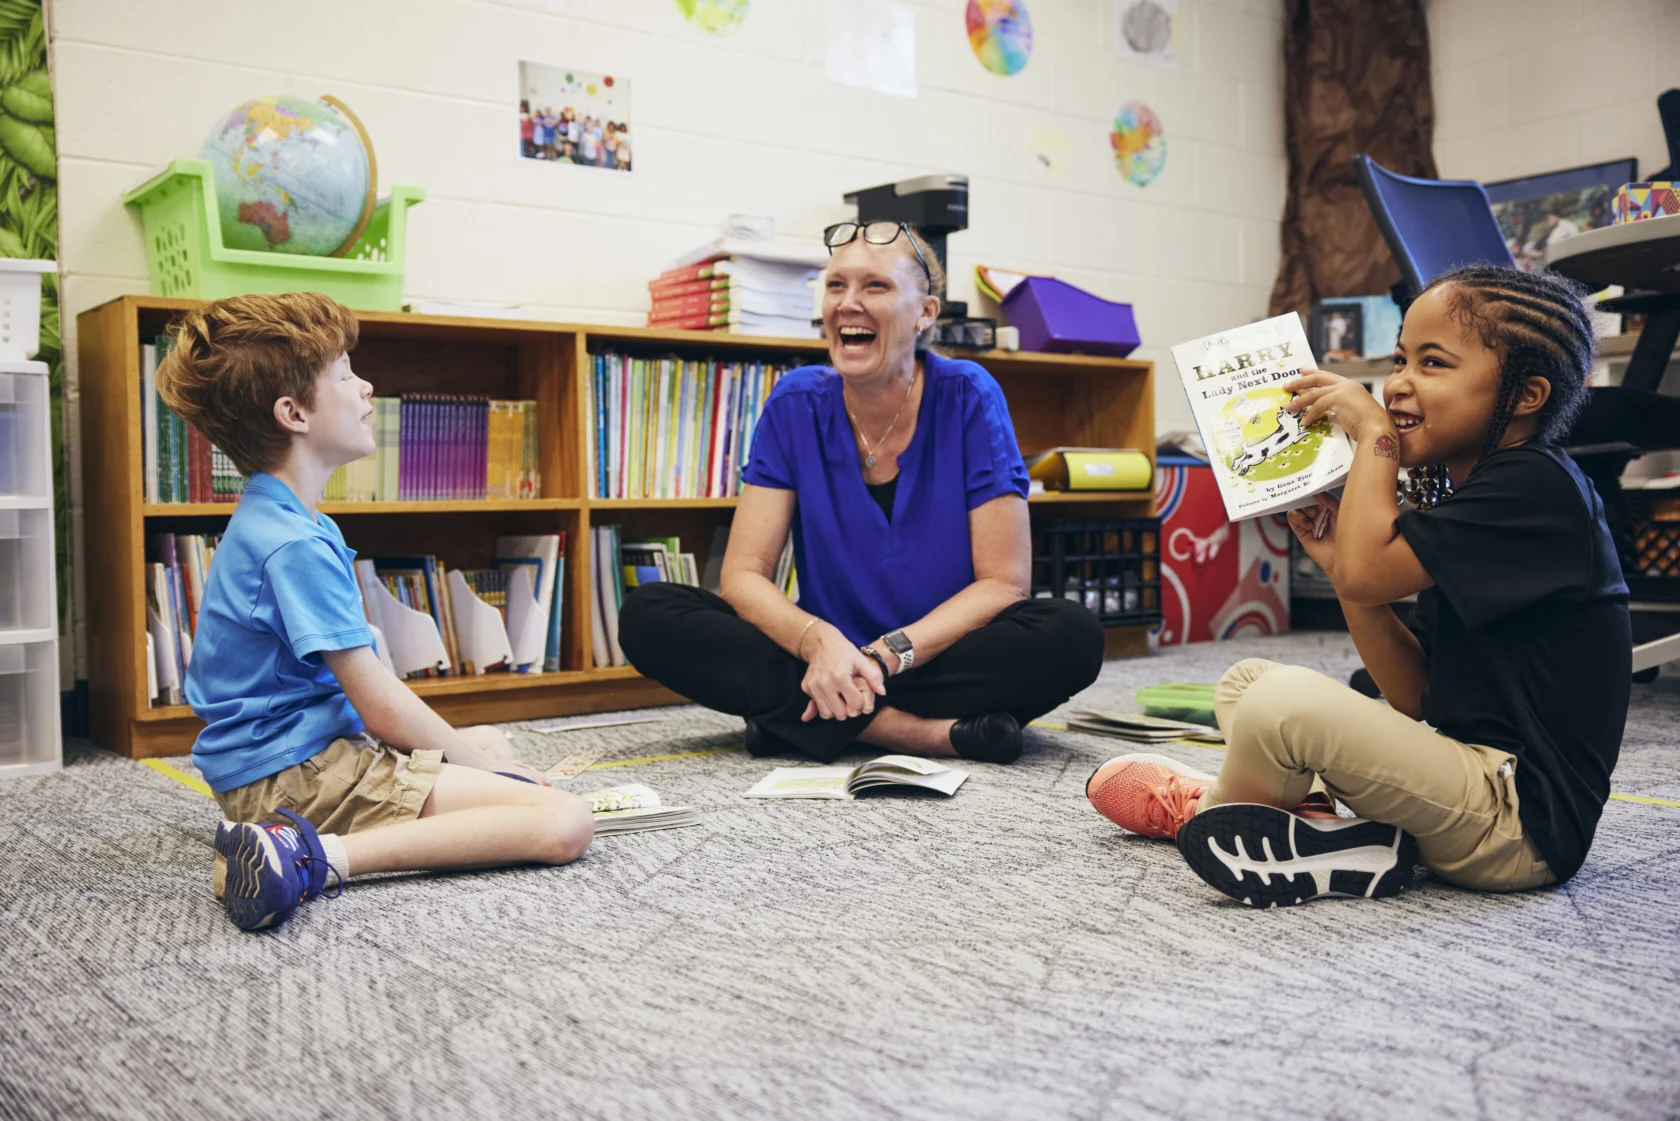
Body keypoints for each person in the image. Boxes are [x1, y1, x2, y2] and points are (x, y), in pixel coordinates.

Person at [1086, 265, 1629, 907]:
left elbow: (1374, 570)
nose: (1397, 384)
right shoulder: (1474, 494)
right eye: (1401, 358)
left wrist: (1373, 437)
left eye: (1433, 363)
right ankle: (1325, 830)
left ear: (1526, 395)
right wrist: (1342, 570)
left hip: (1514, 829)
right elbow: (1412, 693)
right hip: (1457, 780)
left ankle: (1215, 810)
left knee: (1279, 703)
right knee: (1250, 683)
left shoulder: (1537, 486)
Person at [157, 293, 594, 933]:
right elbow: (381, 706)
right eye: (343, 375)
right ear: (293, 413)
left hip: (293, 762)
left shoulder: (279, 518)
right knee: (563, 820)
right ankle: (306, 856)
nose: (365, 387)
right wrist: (496, 778)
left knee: (490, 744)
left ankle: (289, 836)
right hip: (297, 777)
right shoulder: (293, 543)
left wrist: (484, 764)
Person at [618, 221, 1105, 765]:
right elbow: (743, 577)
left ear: (925, 313)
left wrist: (883, 657)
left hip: (934, 654)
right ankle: (913, 733)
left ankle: (798, 721)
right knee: (650, 612)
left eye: (875, 286)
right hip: (819, 653)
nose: (849, 303)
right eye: (835, 286)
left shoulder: (969, 395)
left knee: (1072, 633)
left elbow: (1004, 583)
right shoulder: (794, 401)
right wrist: (819, 643)